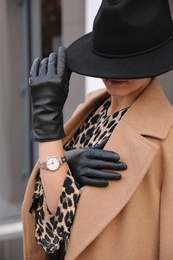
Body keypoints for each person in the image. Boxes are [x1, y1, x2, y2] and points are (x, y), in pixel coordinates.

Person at [22, 0, 173, 259]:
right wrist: (52, 136)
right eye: (108, 60)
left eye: (130, 63)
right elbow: (54, 225)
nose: (115, 73)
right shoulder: (90, 109)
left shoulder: (166, 141)